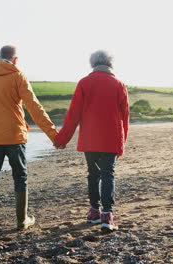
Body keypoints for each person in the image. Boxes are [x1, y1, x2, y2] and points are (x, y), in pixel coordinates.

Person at [0, 45, 58, 245]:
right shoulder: (17, 75)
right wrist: (53, 135)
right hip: (14, 137)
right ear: (15, 59)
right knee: (20, 176)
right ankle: (22, 221)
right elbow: (34, 107)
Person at [55, 50, 129, 231]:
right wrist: (122, 143)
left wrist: (62, 139)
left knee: (93, 174)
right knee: (108, 174)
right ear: (110, 63)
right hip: (111, 138)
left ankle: (94, 211)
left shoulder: (84, 83)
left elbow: (73, 114)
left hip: (90, 138)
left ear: (92, 63)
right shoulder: (119, 84)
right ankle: (107, 215)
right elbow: (125, 116)